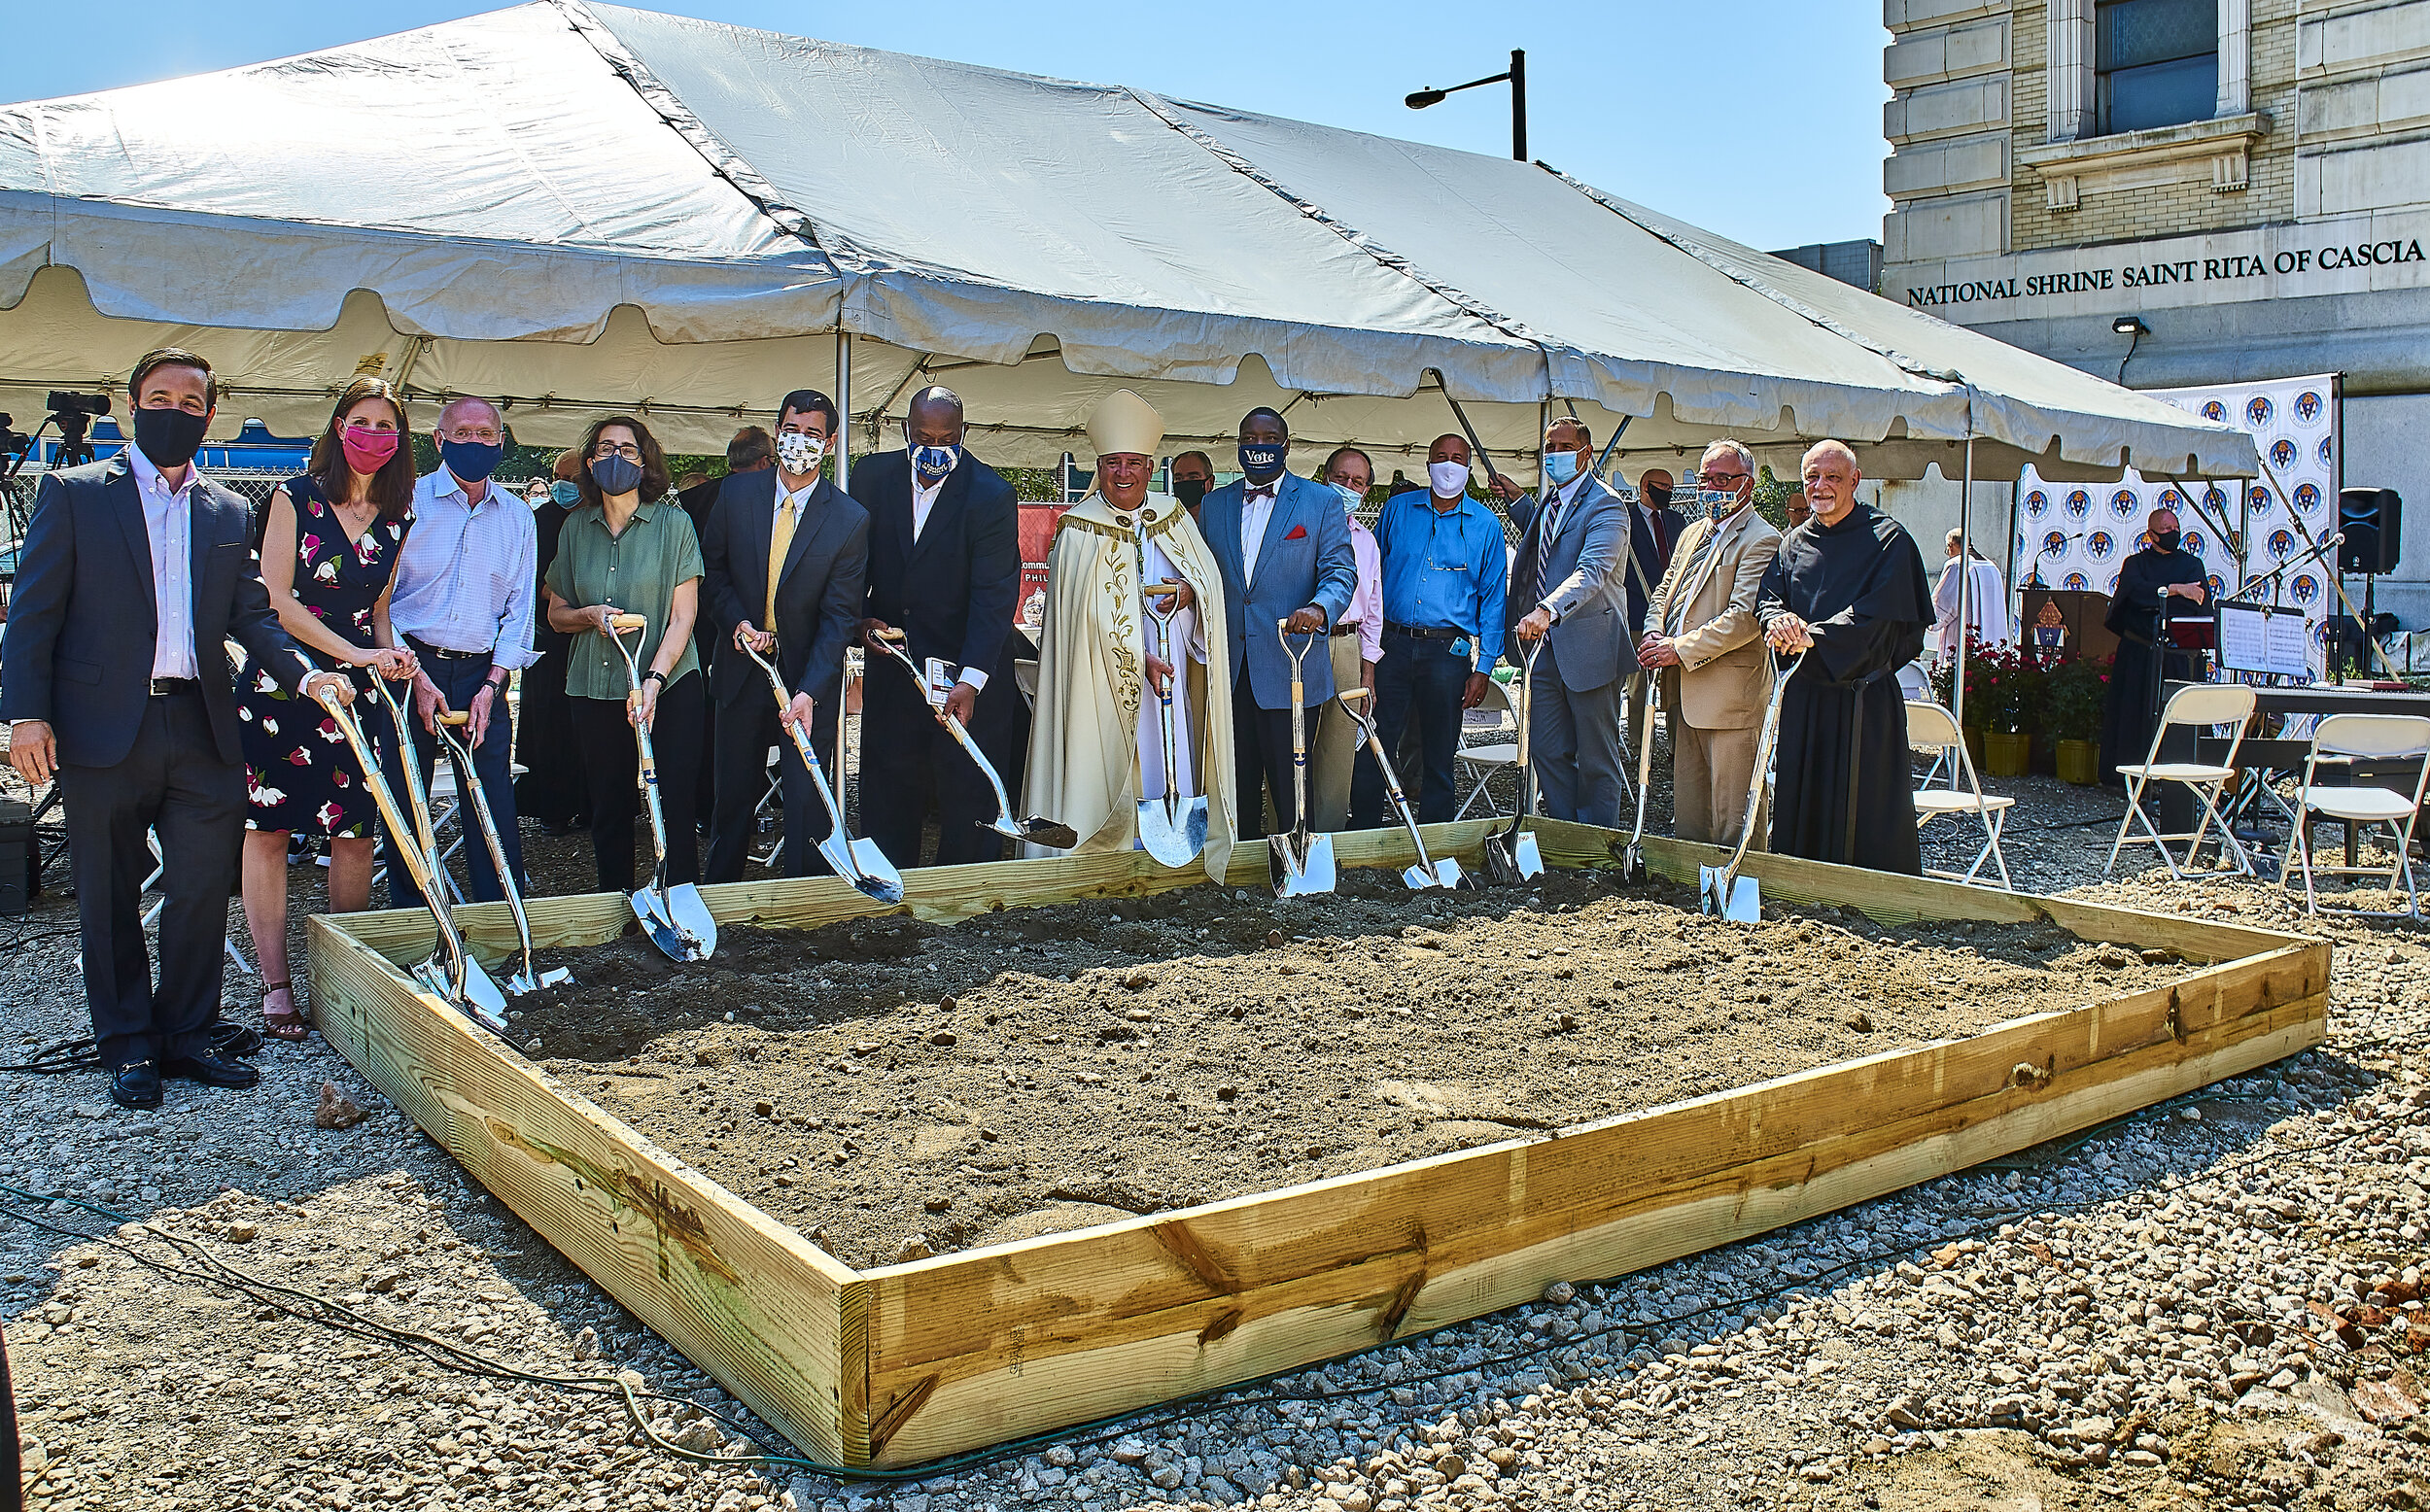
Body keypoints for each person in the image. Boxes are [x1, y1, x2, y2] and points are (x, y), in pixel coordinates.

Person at [2, 347, 356, 1110]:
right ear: (133, 406)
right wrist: (26, 715)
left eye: (191, 403)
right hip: (101, 729)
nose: (175, 412)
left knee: (199, 889)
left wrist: (308, 676)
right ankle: (128, 1041)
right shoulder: (74, 493)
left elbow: (253, 617)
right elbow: (32, 614)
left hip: (201, 726)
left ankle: (189, 1031)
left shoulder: (227, 510)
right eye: (160, 398)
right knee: (107, 892)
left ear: (210, 415)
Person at [234, 377, 420, 1042]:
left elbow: (378, 610)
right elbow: (276, 600)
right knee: (270, 830)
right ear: (340, 427)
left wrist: (391, 656)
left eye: (387, 425)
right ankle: (276, 984)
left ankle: (342, 977)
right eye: (362, 421)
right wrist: (353, 653)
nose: (374, 434)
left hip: (358, 693)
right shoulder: (295, 496)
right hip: (283, 684)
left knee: (355, 833)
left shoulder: (400, 516)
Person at [1024, 390, 1234, 876]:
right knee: (1104, 755)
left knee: (1170, 747)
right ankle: (1103, 854)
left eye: (1134, 463)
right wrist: (1135, 656)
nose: (1123, 473)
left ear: (1150, 467)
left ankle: (1167, 850)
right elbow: (1075, 621)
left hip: (1172, 663)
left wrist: (1190, 594)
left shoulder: (1173, 517)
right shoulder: (1078, 529)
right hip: (1098, 679)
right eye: (1113, 463)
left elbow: (1209, 585)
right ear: (1099, 467)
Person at [848, 385, 1023, 867]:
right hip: (894, 663)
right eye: (924, 438)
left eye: (947, 439)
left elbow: (994, 595)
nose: (935, 449)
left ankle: (965, 894)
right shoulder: (871, 477)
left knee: (968, 795)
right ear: (906, 430)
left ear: (964, 434)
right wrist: (858, 621)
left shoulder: (991, 494)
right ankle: (889, 883)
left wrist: (970, 680)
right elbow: (852, 564)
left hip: (967, 668)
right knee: (888, 787)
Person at [701, 392, 869, 880]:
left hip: (804, 678)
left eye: (813, 434)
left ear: (830, 443)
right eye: (792, 430)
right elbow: (712, 573)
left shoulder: (849, 519)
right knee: (733, 796)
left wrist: (811, 691)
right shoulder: (735, 495)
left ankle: (802, 900)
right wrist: (736, 622)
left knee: (806, 801)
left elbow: (840, 616)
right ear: (777, 433)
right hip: (740, 667)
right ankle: (721, 894)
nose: (801, 442)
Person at [384, 395, 538, 907]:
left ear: (501, 441)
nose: (475, 443)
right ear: (439, 440)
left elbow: (519, 611)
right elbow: (380, 598)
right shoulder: (405, 502)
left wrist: (494, 685)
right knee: (407, 795)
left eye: (485, 434)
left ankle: (500, 914)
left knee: (492, 798)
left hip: (481, 674)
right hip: (407, 665)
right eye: (463, 433)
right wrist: (413, 674)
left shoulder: (518, 516)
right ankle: (410, 918)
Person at [544, 416, 708, 894]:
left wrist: (653, 681)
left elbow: (683, 618)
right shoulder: (575, 529)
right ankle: (616, 904)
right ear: (590, 462)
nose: (616, 457)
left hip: (670, 683)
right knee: (609, 804)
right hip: (595, 685)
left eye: (628, 449)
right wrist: (589, 615)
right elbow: (557, 614)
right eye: (605, 448)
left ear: (645, 461)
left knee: (674, 803)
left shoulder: (675, 525)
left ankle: (678, 899)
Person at [1756, 440, 1934, 874]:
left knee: (1865, 819)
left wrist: (1813, 637)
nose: (1820, 486)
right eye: (1812, 477)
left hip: (1863, 702)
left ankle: (1871, 897)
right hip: (1805, 699)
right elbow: (1769, 599)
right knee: (1803, 810)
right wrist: (1779, 621)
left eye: (1832, 477)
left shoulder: (1889, 540)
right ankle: (1800, 889)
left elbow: (1879, 617)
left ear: (1855, 480)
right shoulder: (1792, 544)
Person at [1198, 408, 1357, 838]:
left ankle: (1294, 864)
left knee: (1292, 791)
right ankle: (1243, 864)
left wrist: (1320, 608)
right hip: (1230, 671)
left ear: (1286, 446)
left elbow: (1341, 571)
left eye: (1269, 438)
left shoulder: (1320, 502)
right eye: (1249, 437)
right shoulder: (1214, 505)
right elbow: (1203, 574)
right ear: (1238, 445)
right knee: (1236, 788)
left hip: (1292, 668)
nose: (1259, 446)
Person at [1351, 433, 1506, 827]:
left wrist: (1484, 668)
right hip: (1391, 644)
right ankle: (1364, 833)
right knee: (1374, 741)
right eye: (1441, 456)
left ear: (1468, 468)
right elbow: (1372, 575)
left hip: (1447, 653)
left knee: (1439, 753)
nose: (1449, 465)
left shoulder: (1486, 525)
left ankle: (1436, 839)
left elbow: (1493, 600)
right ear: (1428, 464)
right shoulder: (1397, 510)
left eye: (1457, 458)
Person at [1489, 418, 1633, 828]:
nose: (1554, 455)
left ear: (1587, 452)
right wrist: (1519, 501)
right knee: (1546, 749)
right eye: (1549, 447)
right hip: (1544, 651)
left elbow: (1592, 570)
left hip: (1591, 647)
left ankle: (1596, 842)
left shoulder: (1607, 504)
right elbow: (1551, 544)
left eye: (1564, 447)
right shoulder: (1551, 501)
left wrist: (1546, 609)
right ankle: (1565, 833)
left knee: (1596, 758)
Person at [1641, 439, 1784, 847]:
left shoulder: (1762, 538)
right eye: (1705, 479)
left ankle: (1740, 880)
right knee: (1691, 813)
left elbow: (1744, 619)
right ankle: (1692, 882)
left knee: (1734, 817)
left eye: (1723, 479)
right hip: (1682, 692)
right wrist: (1653, 632)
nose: (1711, 487)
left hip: (1730, 700)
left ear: (1747, 484)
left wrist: (1679, 649)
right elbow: (1665, 590)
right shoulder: (1692, 533)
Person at [2099, 507, 2207, 785]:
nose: (2173, 533)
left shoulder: (2192, 565)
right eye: (2166, 529)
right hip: (2140, 653)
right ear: (2151, 535)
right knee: (2135, 717)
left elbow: (2194, 602)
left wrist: (2163, 592)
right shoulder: (2135, 564)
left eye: (2175, 528)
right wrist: (2177, 589)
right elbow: (2135, 593)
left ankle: (2180, 781)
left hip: (2178, 656)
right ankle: (2130, 779)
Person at [1308, 445, 1384, 833]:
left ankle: (1329, 839)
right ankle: (1288, 835)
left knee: (1339, 749)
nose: (1347, 487)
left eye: (1357, 482)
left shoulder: (1367, 542)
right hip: (1305, 643)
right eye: (1340, 478)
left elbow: (1373, 613)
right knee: (1295, 742)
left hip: (1348, 645)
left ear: (1366, 490)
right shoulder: (1301, 527)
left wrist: (1367, 673)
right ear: (1325, 478)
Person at [514, 449, 587, 837]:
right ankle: (552, 809)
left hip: (588, 642)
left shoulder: (596, 518)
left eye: (569, 479)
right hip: (549, 640)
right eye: (558, 477)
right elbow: (533, 583)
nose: (562, 486)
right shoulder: (539, 521)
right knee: (549, 726)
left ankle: (591, 806)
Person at [1933, 528, 2012, 661]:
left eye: (1948, 549)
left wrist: (1928, 622)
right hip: (1991, 640)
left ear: (1951, 545)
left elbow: (1945, 604)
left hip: (1963, 635)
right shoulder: (1992, 567)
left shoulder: (1957, 565)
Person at [1169, 450, 1217, 522]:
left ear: (1210, 483)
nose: (1185, 482)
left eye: (1193, 477)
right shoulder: (1167, 521)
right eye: (1178, 478)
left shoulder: (1223, 520)